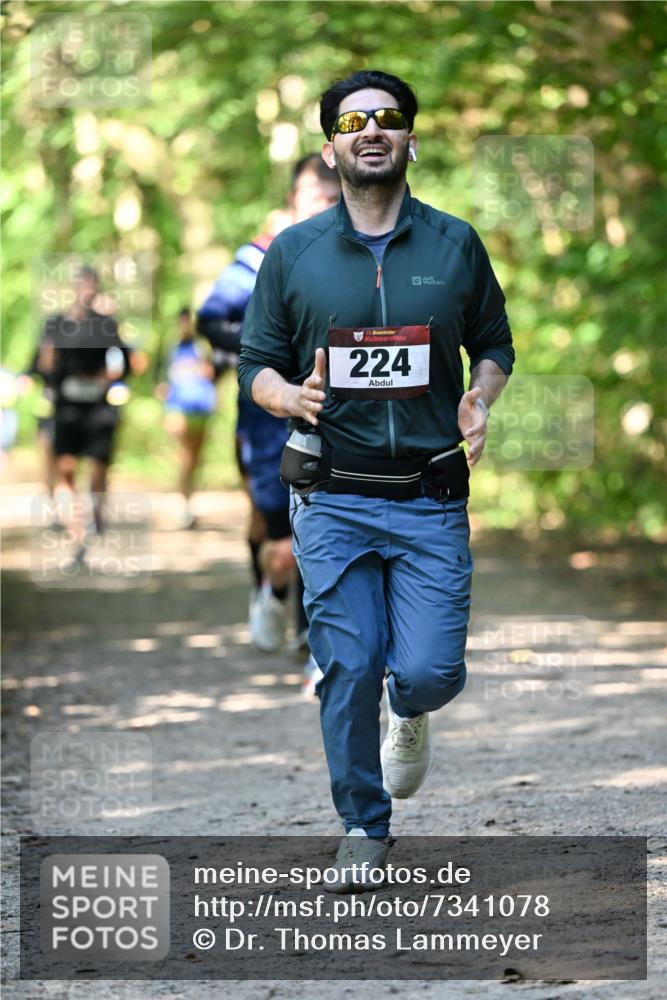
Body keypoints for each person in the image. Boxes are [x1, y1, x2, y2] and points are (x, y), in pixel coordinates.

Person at [238, 70, 514, 890]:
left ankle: (411, 706)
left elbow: (495, 342)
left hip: (429, 493)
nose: (370, 130)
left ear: (409, 140)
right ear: (332, 147)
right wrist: (289, 394)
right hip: (331, 494)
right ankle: (363, 823)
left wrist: (478, 398)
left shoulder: (455, 243)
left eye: (387, 119)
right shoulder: (294, 254)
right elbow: (256, 363)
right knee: (347, 662)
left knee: (427, 672)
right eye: (351, 120)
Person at [198, 156, 340, 655]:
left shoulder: (359, 256)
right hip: (265, 421)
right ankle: (271, 591)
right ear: (291, 202)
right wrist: (265, 342)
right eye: (312, 197)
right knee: (278, 542)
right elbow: (210, 320)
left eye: (331, 196)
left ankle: (309, 632)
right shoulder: (256, 261)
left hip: (332, 420)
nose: (323, 205)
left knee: (322, 526)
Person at [38, 265, 134, 564]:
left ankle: (97, 518)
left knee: (97, 469)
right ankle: (76, 531)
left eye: (91, 284)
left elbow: (125, 362)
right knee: (65, 468)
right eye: (81, 284)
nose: (86, 290)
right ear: (73, 287)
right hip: (66, 407)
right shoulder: (55, 324)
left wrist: (106, 379)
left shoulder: (107, 324)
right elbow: (43, 363)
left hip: (97, 408)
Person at [158, 307, 217, 529]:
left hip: (200, 408)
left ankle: (189, 502)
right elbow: (161, 379)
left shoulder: (202, 347)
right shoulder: (171, 348)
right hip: (177, 408)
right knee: (183, 457)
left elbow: (213, 373)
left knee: (194, 459)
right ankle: (184, 505)